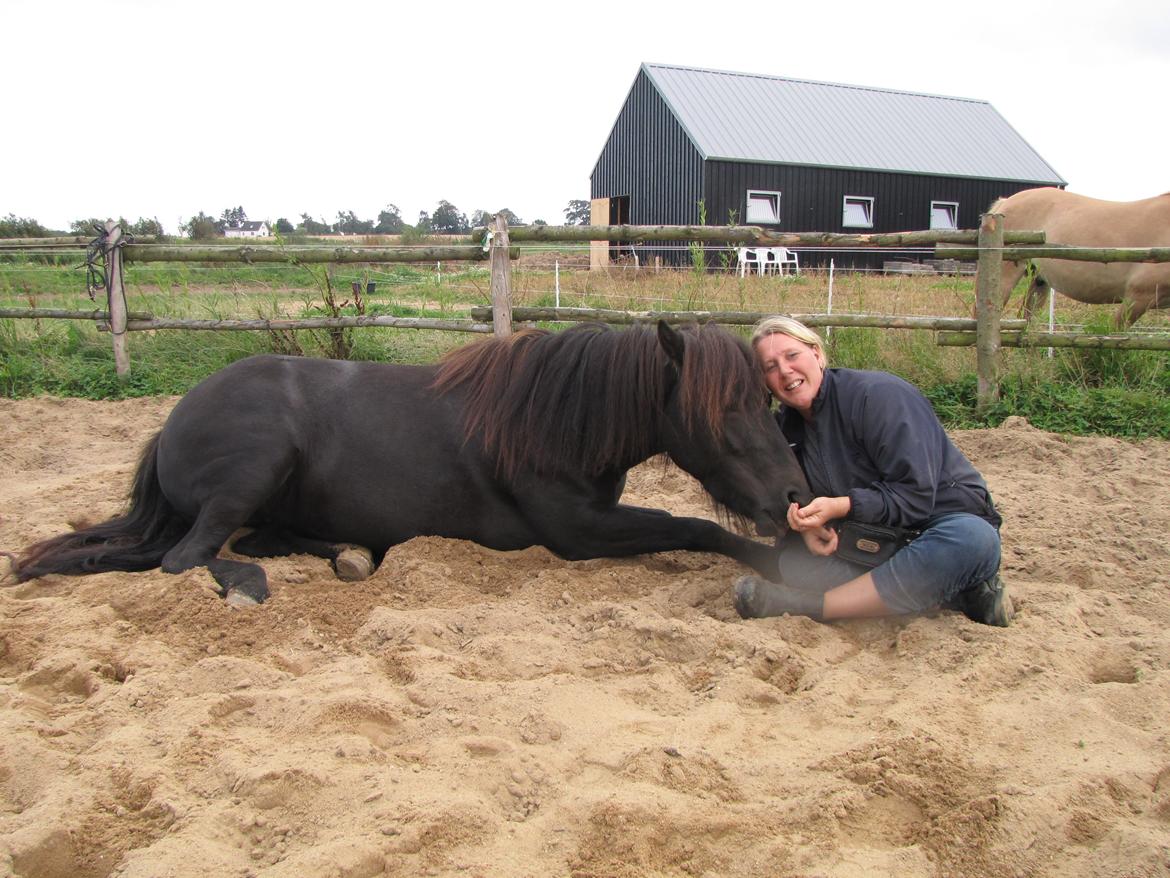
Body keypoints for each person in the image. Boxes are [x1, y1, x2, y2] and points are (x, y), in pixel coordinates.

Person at [734, 316, 1012, 626]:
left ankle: (812, 606)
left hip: (938, 523)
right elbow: (786, 497)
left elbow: (916, 496)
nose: (784, 371)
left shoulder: (878, 396)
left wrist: (842, 505)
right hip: (873, 541)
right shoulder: (786, 430)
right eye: (770, 367)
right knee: (793, 562)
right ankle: (956, 592)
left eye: (792, 355)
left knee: (972, 540)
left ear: (817, 353)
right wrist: (805, 527)